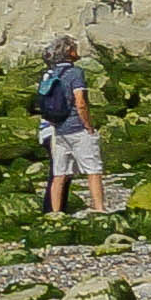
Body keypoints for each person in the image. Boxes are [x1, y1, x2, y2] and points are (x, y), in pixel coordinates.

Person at [35, 39, 111, 214]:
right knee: (93, 170)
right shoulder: (75, 73)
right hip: (76, 127)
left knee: (59, 174)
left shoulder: (50, 73)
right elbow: (80, 102)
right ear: (69, 51)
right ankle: (99, 209)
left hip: (58, 128)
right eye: (75, 48)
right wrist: (88, 126)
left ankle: (54, 214)